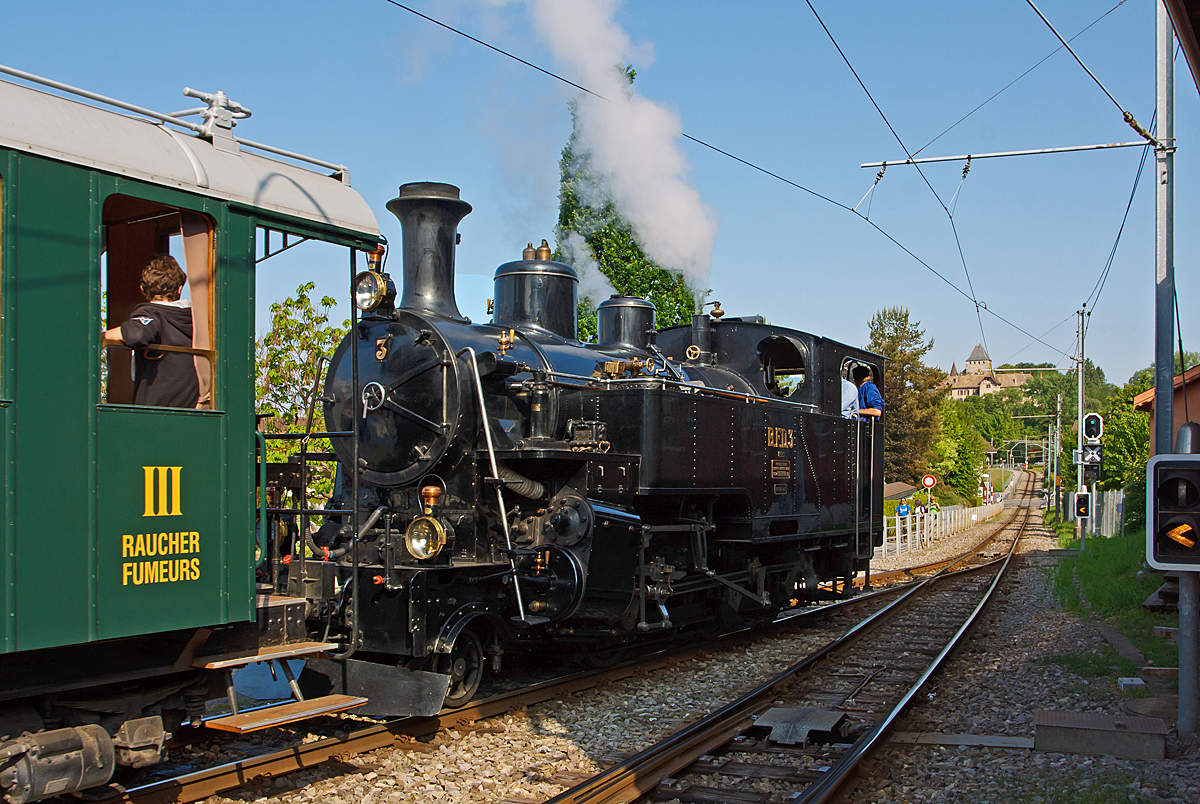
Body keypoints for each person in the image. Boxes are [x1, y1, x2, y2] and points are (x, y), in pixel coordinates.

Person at [103, 254, 199, 408]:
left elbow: (137, 334)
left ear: (142, 288)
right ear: (180, 288)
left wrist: (102, 336)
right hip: (191, 409)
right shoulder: (196, 321)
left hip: (153, 411)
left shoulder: (152, 314)